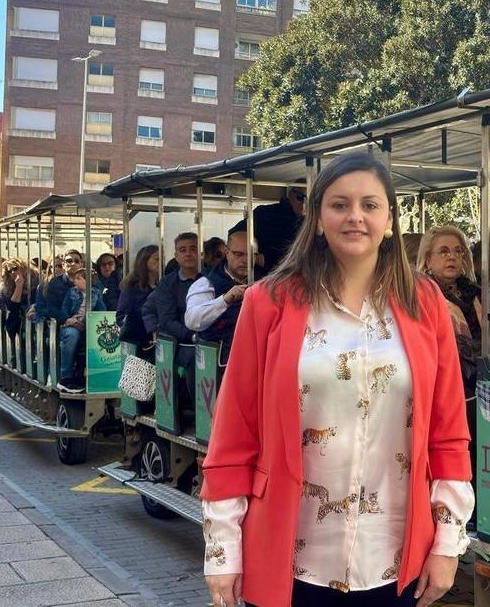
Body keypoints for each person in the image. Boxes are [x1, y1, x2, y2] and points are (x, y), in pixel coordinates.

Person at [201, 151, 472, 607]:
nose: (355, 216)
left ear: (390, 219)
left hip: (393, 557)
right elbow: (233, 434)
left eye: (370, 205)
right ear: (317, 217)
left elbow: (448, 433)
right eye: (339, 204)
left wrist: (448, 543)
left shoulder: (425, 302)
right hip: (290, 557)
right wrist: (222, 550)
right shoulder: (267, 302)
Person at [144, 233, 200, 403]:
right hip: (181, 342)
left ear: (200, 253)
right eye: (183, 250)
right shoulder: (168, 283)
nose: (188, 254)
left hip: (211, 338)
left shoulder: (210, 278)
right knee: (196, 358)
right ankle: (200, 408)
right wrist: (192, 336)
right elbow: (167, 321)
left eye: (193, 249)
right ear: (176, 256)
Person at [185, 231, 250, 362]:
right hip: (218, 362)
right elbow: (192, 320)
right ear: (226, 252)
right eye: (238, 254)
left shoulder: (265, 281)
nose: (245, 260)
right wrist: (224, 300)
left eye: (251, 255)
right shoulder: (207, 283)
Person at [417, 227, 482, 349]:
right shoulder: (421, 296)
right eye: (444, 252)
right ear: (428, 260)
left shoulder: (476, 293)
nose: (452, 257)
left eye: (458, 251)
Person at [231, 184, 306, 272]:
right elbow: (235, 235)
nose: (304, 203)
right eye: (300, 197)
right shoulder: (265, 214)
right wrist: (255, 257)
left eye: (310, 199)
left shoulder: (314, 220)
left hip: (298, 272)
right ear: (290, 195)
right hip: (264, 274)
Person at [57, 268, 105, 392]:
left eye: (78, 278)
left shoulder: (96, 293)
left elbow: (101, 310)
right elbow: (65, 310)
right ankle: (66, 377)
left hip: (87, 323)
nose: (75, 281)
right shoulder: (71, 292)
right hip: (71, 324)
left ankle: (88, 375)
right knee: (72, 335)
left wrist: (84, 321)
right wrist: (70, 320)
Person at [117, 245, 160, 358]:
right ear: (144, 261)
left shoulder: (162, 285)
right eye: (157, 259)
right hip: (137, 342)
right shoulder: (131, 286)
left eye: (162, 259)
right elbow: (121, 315)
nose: (160, 263)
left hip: (158, 340)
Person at [30, 250, 83, 323]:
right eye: (52, 266)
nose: (56, 269)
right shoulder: (46, 285)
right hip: (55, 322)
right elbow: (43, 307)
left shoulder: (83, 282)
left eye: (59, 266)